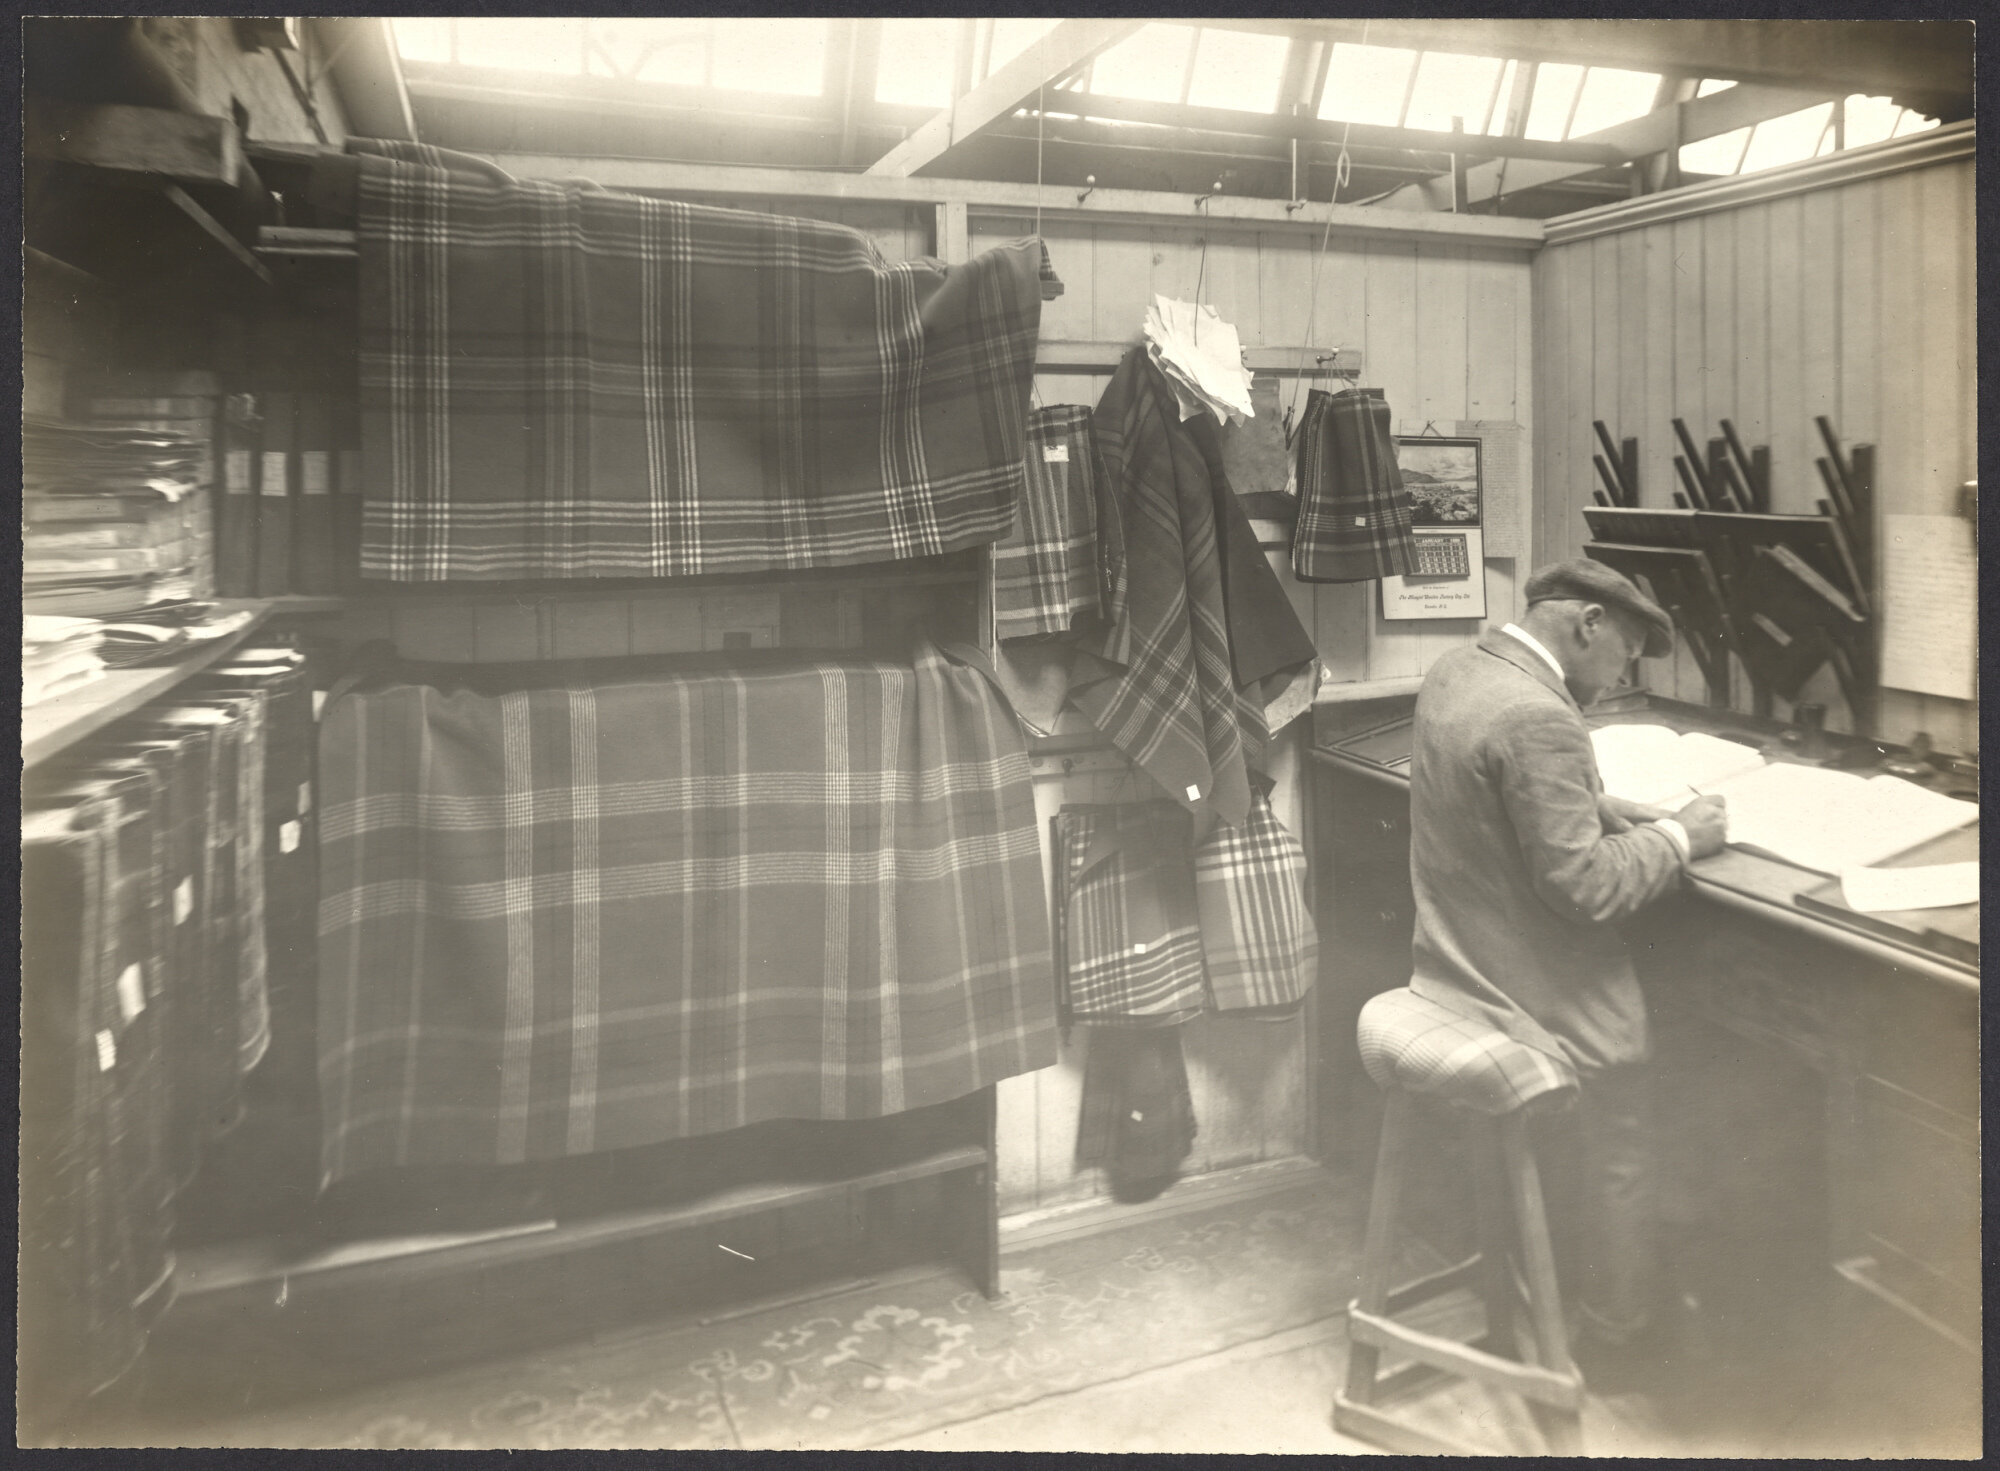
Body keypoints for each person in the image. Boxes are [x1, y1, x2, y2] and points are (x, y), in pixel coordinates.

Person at [1405, 559, 1728, 1379]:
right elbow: (1585, 888)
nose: (1620, 677)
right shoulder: (1538, 715)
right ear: (1587, 624)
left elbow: (1497, 803)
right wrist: (1682, 837)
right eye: (1625, 654)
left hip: (1452, 967)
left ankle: (1545, 1282)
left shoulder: (1460, 670)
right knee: (1637, 1098)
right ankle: (1619, 1335)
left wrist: (1601, 809)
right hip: (1527, 995)